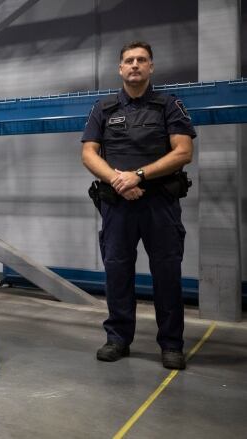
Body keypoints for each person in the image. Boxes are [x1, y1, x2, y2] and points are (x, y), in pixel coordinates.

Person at [81, 41, 196, 370]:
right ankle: (118, 338)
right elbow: (89, 153)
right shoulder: (103, 109)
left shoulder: (168, 106)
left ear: (151, 67)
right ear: (120, 68)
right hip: (117, 205)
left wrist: (139, 176)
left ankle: (171, 344)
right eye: (129, 60)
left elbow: (183, 151)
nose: (135, 65)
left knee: (167, 274)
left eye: (141, 60)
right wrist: (120, 181)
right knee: (117, 271)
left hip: (159, 203)